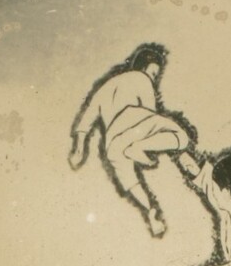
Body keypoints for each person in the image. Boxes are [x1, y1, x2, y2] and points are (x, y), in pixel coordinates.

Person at [68, 44, 190, 237]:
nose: (153, 78)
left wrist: (79, 148)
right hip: (135, 121)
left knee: (129, 178)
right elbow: (149, 112)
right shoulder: (141, 78)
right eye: (153, 73)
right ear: (144, 67)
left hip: (113, 141)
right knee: (182, 138)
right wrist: (148, 143)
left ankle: (150, 210)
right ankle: (138, 147)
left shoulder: (105, 88)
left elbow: (87, 118)